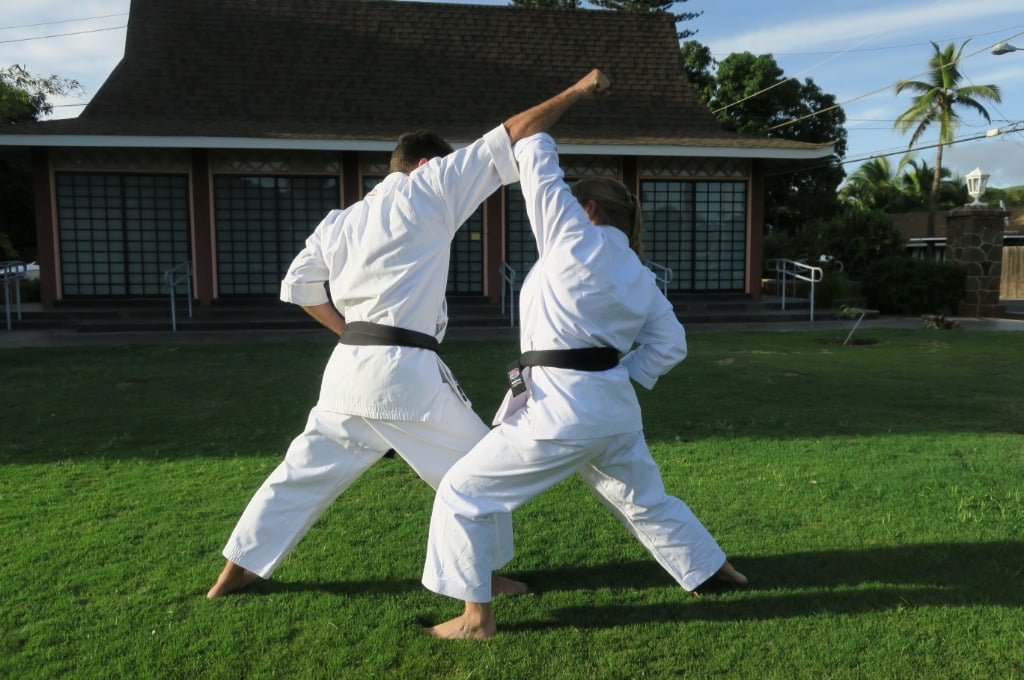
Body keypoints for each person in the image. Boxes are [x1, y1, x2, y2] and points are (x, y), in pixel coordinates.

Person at [206, 72, 608, 600]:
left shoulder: (340, 220)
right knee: (479, 470)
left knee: (300, 475)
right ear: (425, 164)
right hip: (402, 376)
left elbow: (299, 287)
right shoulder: (431, 186)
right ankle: (481, 581)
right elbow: (512, 132)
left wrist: (349, 331)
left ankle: (233, 575)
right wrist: (578, 91)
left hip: (347, 372)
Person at [421, 70, 747, 639]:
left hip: (561, 410)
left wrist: (575, 93)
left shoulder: (571, 233)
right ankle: (714, 569)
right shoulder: (642, 276)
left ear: (589, 208)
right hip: (612, 409)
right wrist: (618, 374)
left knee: (464, 491)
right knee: (645, 499)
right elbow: (672, 344)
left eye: (574, 198)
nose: (566, 202)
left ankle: (476, 619)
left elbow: (531, 148)